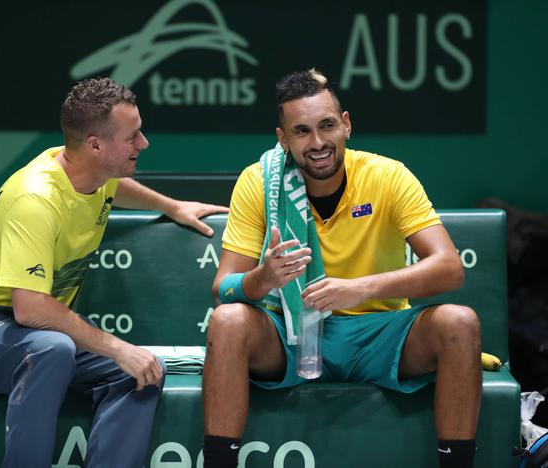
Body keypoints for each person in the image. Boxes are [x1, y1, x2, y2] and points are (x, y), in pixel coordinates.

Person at [0, 78, 228, 468]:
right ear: (95, 145)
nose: (144, 143)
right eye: (133, 136)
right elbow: (30, 309)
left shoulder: (89, 172)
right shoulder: (36, 199)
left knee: (141, 372)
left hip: (35, 336)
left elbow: (115, 187)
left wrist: (173, 206)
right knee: (54, 350)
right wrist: (118, 347)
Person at [202, 69, 481, 468]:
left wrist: (360, 289)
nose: (317, 143)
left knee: (460, 322)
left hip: (379, 334)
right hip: (291, 335)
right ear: (283, 139)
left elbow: (450, 269)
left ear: (346, 125)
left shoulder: (387, 175)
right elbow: (222, 289)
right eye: (301, 131)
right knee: (228, 321)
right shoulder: (260, 182)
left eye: (327, 126)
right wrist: (263, 278)